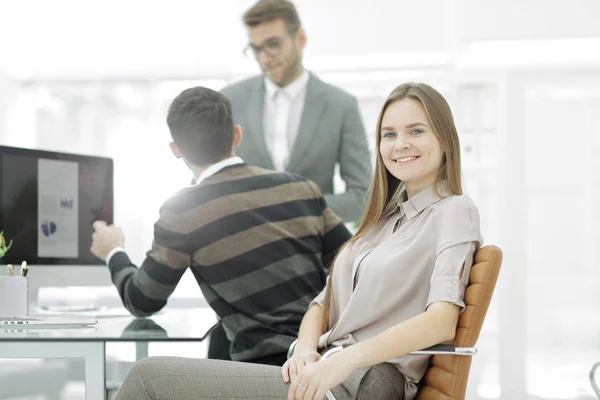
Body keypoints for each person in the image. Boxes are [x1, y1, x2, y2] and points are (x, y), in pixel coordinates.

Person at [113, 82, 482, 400]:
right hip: (321, 364)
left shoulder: (453, 211)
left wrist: (345, 360)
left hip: (363, 379)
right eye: (389, 134)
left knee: (148, 378)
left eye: (416, 131)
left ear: (444, 138)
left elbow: (442, 321)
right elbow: (323, 303)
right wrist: (305, 350)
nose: (401, 144)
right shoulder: (383, 222)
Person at [90, 86, 351, 366]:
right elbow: (353, 265)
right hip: (330, 358)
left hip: (269, 369)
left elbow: (142, 300)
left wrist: (114, 251)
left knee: (147, 376)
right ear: (236, 135)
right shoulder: (300, 188)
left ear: (176, 150)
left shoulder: (183, 211)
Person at [221, 0, 372, 224]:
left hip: (314, 253)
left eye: (273, 44)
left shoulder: (341, 105)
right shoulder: (229, 101)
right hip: (244, 253)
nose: (264, 58)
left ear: (300, 38)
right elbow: (205, 187)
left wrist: (298, 208)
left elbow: (363, 197)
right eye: (256, 49)